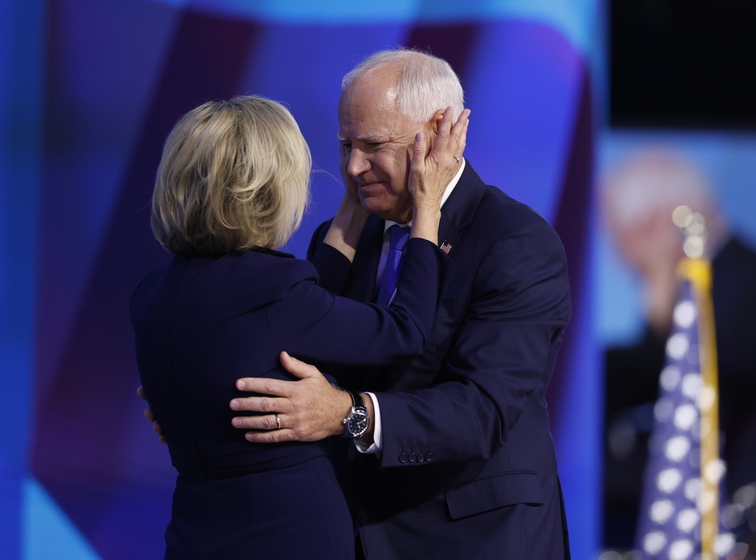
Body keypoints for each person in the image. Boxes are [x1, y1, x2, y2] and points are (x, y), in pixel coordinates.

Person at [225, 48, 573, 559]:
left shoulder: (514, 240)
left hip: (476, 540)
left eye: (371, 145)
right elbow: (296, 354)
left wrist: (349, 414)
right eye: (345, 144)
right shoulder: (342, 236)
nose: (352, 166)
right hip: (357, 536)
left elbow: (482, 410)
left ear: (436, 132)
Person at [130, 94, 468, 559]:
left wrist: (353, 207)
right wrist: (427, 209)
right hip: (289, 533)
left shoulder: (152, 294)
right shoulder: (273, 289)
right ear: (269, 188)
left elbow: (303, 313)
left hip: (195, 535)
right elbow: (404, 330)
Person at [601, 147, 756, 551]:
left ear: (657, 223)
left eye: (622, 237)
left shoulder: (740, 289)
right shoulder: (697, 288)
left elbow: (708, 380)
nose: (621, 258)